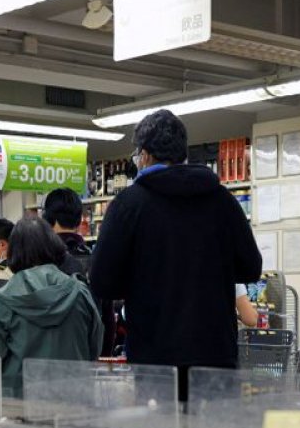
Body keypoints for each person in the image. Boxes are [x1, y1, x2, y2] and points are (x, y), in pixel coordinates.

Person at [89, 110, 262, 399]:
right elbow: (250, 268)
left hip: (155, 359)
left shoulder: (128, 205)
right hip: (216, 356)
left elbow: (103, 282)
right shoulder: (223, 201)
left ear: (144, 156)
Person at [0, 218, 103, 398]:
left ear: (13, 252)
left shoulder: (3, 299)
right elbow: (95, 346)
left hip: (20, 407)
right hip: (74, 402)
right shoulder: (80, 292)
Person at [44, 186, 116, 354]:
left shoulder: (42, 260)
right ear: (78, 221)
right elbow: (108, 318)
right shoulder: (96, 259)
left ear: (49, 220)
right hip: (88, 351)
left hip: (48, 355)